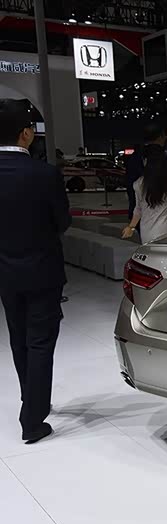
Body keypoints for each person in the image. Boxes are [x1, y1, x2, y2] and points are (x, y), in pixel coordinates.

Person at [0, 99, 71, 444]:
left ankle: (31, 397)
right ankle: (32, 418)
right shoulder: (45, 174)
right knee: (40, 341)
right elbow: (63, 222)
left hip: (6, 272)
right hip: (43, 270)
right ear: (26, 134)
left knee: (19, 338)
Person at [122, 148, 167, 244]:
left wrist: (131, 227)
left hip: (146, 231)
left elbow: (138, 209)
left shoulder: (138, 183)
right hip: (166, 230)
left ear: (146, 162)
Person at [126, 122, 166, 221]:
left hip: (139, 209)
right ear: (160, 137)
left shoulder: (136, 155)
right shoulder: (159, 156)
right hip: (155, 211)